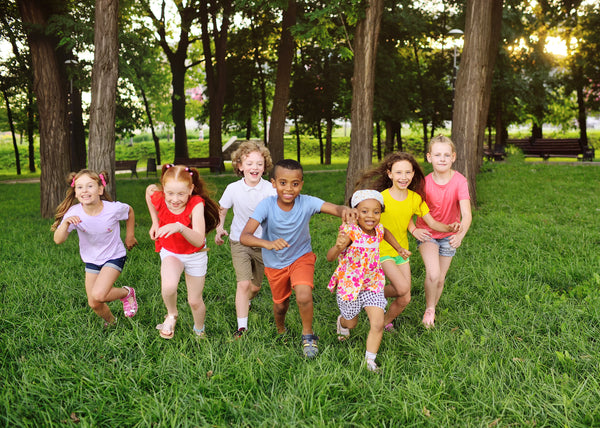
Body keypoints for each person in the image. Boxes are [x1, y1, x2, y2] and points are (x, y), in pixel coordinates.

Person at [240, 159, 356, 358]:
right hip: (274, 263)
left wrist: (344, 210)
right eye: (283, 183)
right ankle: (280, 329)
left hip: (301, 257)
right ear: (274, 183)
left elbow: (334, 208)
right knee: (280, 305)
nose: (289, 189)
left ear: (301, 184)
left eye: (295, 184)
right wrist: (268, 243)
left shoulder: (307, 202)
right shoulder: (266, 205)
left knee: (303, 295)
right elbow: (245, 236)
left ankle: (308, 335)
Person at [356, 152, 459, 331]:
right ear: (389, 174)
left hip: (401, 251)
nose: (403, 177)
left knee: (405, 297)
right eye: (398, 173)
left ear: (413, 174)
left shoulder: (415, 198)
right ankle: (368, 296)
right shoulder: (380, 199)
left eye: (407, 173)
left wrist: (450, 228)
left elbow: (432, 223)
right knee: (402, 287)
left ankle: (382, 320)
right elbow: (364, 221)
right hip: (380, 250)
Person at [327, 190, 411, 372]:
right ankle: (342, 322)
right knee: (352, 323)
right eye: (364, 211)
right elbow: (330, 257)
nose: (371, 216)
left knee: (377, 323)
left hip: (372, 284)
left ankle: (369, 361)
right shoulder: (350, 232)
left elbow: (386, 232)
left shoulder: (378, 229)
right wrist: (337, 247)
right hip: (350, 286)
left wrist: (398, 248)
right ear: (355, 212)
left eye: (376, 211)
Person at [52, 169, 138, 327]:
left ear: (100, 189)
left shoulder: (112, 209)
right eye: (79, 187)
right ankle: (112, 323)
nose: (84, 190)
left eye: (90, 186)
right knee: (94, 303)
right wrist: (65, 224)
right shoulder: (74, 212)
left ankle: (127, 293)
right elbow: (58, 240)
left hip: (114, 255)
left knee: (99, 294)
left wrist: (130, 235)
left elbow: (130, 211)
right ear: (75, 193)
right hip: (91, 260)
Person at [146, 164, 220, 339]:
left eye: (181, 194)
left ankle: (199, 331)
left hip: (195, 255)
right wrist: (155, 222)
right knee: (169, 286)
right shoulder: (159, 196)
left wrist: (179, 227)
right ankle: (171, 315)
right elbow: (149, 191)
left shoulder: (196, 204)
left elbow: (199, 240)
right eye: (170, 193)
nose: (174, 199)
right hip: (171, 252)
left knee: (194, 301)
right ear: (164, 189)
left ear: (191, 189)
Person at [214, 141, 276, 338]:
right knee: (243, 284)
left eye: (259, 163)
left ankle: (246, 299)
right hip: (239, 241)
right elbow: (222, 209)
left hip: (263, 244)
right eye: (249, 163)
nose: (254, 168)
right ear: (240, 166)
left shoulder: (270, 189)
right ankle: (242, 327)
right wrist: (219, 227)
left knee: (255, 287)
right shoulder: (233, 189)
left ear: (264, 166)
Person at [412, 136, 472, 328]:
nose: (442, 158)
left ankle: (432, 308)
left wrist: (459, 236)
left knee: (440, 279)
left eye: (447, 155)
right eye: (437, 154)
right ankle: (429, 309)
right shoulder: (423, 183)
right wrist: (414, 230)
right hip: (428, 233)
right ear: (429, 157)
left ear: (453, 157)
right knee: (433, 273)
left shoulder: (460, 181)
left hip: (449, 236)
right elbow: (408, 209)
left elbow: (467, 215)